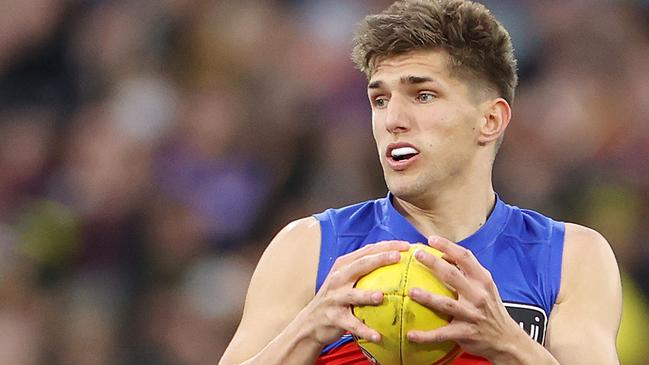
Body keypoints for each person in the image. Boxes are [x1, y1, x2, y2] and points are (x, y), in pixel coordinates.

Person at [219, 0, 622, 364]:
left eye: (423, 95)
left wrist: (508, 344)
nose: (393, 119)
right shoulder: (308, 246)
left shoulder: (571, 257)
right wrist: (308, 330)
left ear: (490, 120)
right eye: (380, 99)